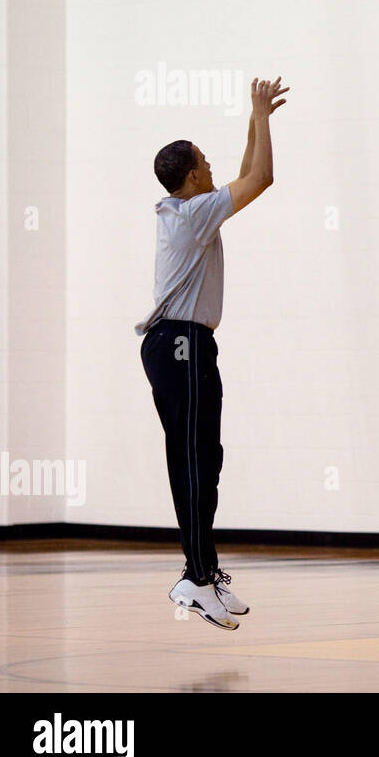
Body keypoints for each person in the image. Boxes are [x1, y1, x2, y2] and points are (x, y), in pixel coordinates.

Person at [135, 77, 288, 630]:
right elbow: (261, 178)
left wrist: (256, 116)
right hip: (179, 343)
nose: (211, 165)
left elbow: (247, 175)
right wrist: (261, 120)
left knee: (206, 459)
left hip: (184, 345)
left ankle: (203, 571)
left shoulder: (190, 211)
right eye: (205, 159)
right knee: (196, 461)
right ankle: (195, 579)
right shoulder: (193, 213)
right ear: (191, 175)